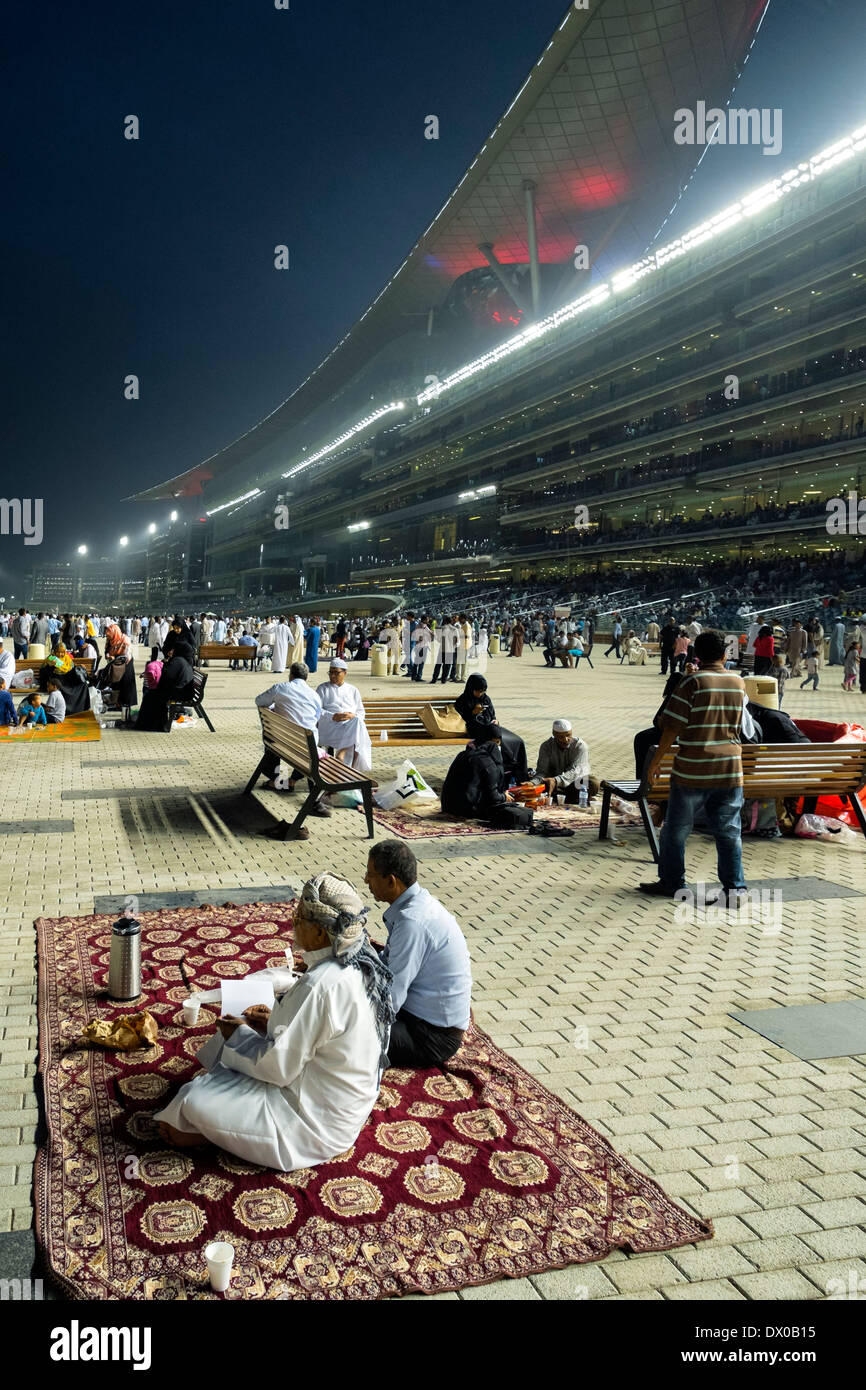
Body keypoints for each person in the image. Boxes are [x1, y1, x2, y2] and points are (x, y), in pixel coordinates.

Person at [155, 873, 394, 1169]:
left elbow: (278, 1069)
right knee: (218, 1070)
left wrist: (239, 1035)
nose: (293, 922)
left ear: (321, 934)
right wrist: (272, 1023)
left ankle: (207, 1134)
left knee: (194, 1100)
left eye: (300, 917)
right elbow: (319, 1033)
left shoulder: (320, 984)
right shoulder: (363, 960)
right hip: (338, 1102)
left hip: (313, 1123)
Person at [639, 630, 747, 904]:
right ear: (725, 654)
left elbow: (671, 726)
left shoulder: (693, 682)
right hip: (730, 769)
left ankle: (673, 883)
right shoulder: (738, 682)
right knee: (729, 832)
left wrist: (655, 761)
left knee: (676, 829)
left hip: (693, 770)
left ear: (697, 654)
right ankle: (734, 889)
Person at [364, 841, 471, 1068]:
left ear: (391, 881)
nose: (366, 880)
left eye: (371, 874)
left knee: (342, 1030)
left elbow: (390, 1000)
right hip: (422, 1019)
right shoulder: (417, 905)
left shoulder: (412, 922)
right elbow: (384, 964)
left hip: (431, 1037)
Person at [253, 662, 330, 819]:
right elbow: (315, 718)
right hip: (307, 747)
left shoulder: (281, 688)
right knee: (310, 750)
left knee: (276, 742)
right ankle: (311, 798)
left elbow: (259, 701)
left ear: (291, 675)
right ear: (306, 677)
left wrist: (278, 707)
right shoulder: (314, 695)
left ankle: (277, 780)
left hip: (283, 743)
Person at [453, 675, 529, 782]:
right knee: (496, 736)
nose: (480, 694)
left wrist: (495, 720)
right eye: (478, 691)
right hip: (474, 729)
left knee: (517, 741)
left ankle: (520, 774)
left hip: (491, 726)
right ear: (471, 688)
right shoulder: (463, 700)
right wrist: (472, 713)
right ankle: (510, 761)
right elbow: (460, 718)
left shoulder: (485, 699)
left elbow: (492, 715)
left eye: (482, 691)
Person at [440, 725, 509, 819]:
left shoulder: (462, 754)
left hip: (447, 806)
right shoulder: (487, 762)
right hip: (467, 810)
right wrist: (504, 797)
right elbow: (493, 797)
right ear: (496, 741)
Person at [316, 658, 372, 771]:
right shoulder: (322, 689)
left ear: (345, 673)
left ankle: (343, 755)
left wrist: (352, 716)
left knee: (357, 721)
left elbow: (361, 712)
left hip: (349, 727)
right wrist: (332, 716)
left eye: (336, 673)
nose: (332, 676)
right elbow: (316, 710)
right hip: (330, 728)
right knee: (358, 731)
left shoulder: (353, 690)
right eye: (330, 672)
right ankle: (352, 771)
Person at [135, 640, 194, 731]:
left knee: (152, 695)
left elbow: (167, 675)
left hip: (180, 692)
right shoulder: (181, 660)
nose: (172, 651)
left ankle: (151, 724)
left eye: (174, 649)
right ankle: (151, 724)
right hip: (183, 690)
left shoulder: (178, 660)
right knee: (152, 694)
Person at [536, 719, 598, 801]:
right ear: (554, 735)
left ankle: (562, 797)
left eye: (568, 735)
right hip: (553, 785)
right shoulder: (546, 746)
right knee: (537, 785)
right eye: (561, 737)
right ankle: (566, 797)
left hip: (573, 783)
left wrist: (556, 780)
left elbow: (576, 771)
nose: (565, 739)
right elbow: (542, 771)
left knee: (592, 783)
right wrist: (533, 782)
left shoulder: (580, 746)